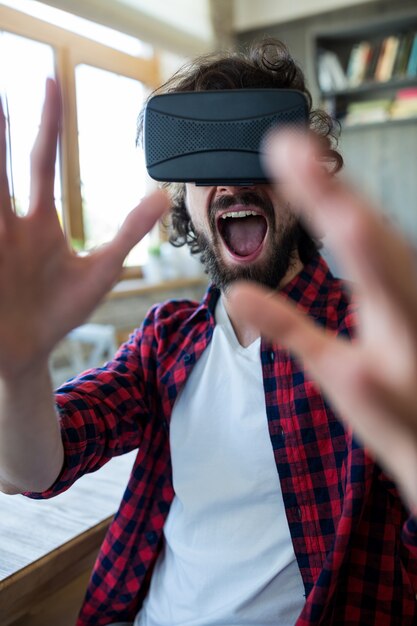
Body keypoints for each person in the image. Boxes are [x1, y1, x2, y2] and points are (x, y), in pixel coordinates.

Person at [0, 39, 416, 626]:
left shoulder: (379, 338)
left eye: (255, 154)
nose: (230, 179)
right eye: (201, 162)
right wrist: (19, 371)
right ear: (184, 202)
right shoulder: (166, 341)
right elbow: (30, 470)